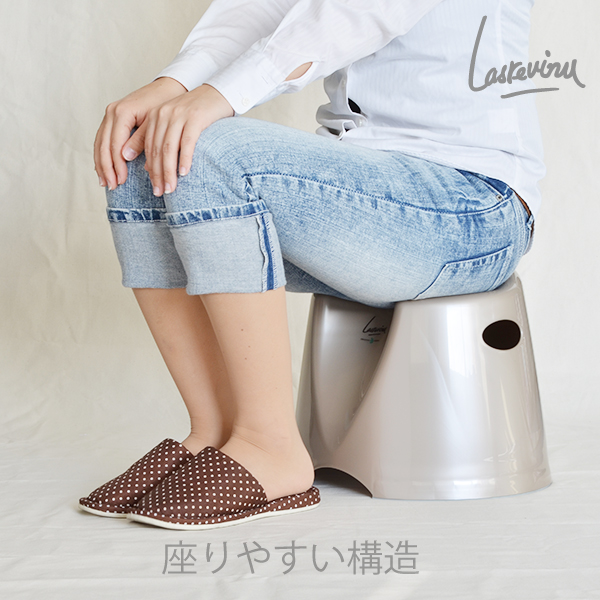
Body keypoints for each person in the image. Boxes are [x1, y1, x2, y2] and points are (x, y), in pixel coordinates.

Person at [78, 0, 544, 530]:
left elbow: (361, 10)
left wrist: (218, 95)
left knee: (207, 150)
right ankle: (215, 431)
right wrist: (173, 85)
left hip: (472, 202)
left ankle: (270, 445)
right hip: (367, 186)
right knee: (144, 151)